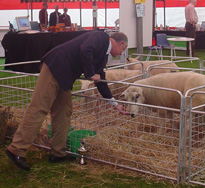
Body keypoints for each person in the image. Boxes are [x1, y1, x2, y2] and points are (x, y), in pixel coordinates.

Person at [5, 31, 128, 171]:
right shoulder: (101, 37)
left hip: (65, 77)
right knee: (39, 109)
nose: (121, 53)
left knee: (64, 111)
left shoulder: (102, 55)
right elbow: (85, 49)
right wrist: (90, 74)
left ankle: (58, 153)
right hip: (55, 67)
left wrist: (115, 104)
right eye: (123, 50)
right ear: (119, 43)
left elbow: (100, 79)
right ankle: (16, 150)